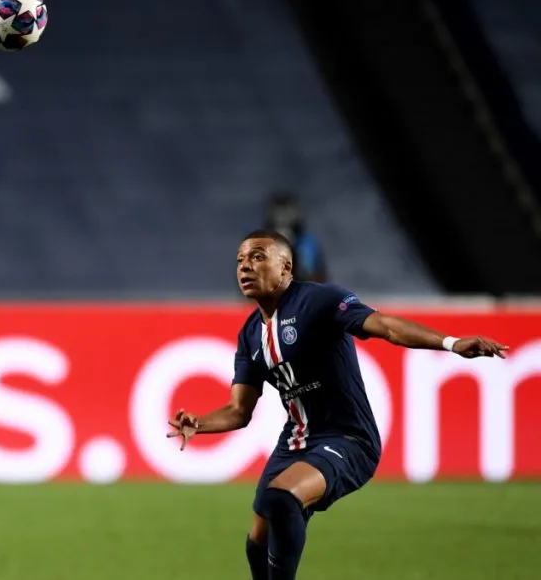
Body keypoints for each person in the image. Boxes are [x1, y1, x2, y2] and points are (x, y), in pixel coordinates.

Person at [166, 230, 507, 580]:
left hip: (348, 437)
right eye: (240, 260)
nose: (245, 267)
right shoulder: (250, 334)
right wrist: (199, 424)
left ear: (285, 267)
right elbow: (239, 410)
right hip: (295, 442)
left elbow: (386, 326)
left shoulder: (319, 300)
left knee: (280, 499)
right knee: (258, 540)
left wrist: (451, 343)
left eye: (257, 257)